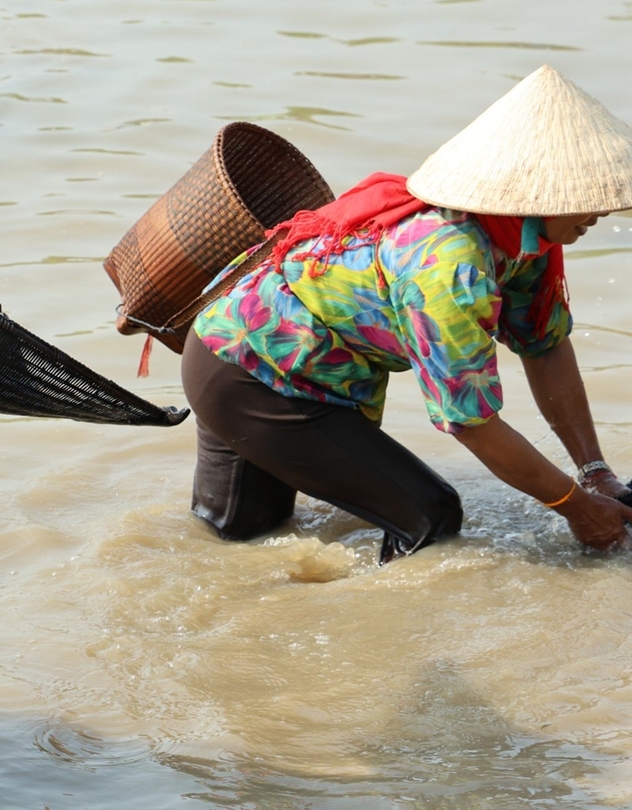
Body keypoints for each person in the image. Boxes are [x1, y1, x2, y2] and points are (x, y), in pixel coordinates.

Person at [182, 65, 632, 563]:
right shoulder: (449, 266)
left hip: (281, 367)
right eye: (585, 198)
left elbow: (543, 347)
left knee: (244, 544)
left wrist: (595, 473)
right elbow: (471, 422)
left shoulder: (529, 239)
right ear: (535, 193)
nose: (599, 212)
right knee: (429, 516)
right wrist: (575, 507)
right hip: (243, 373)